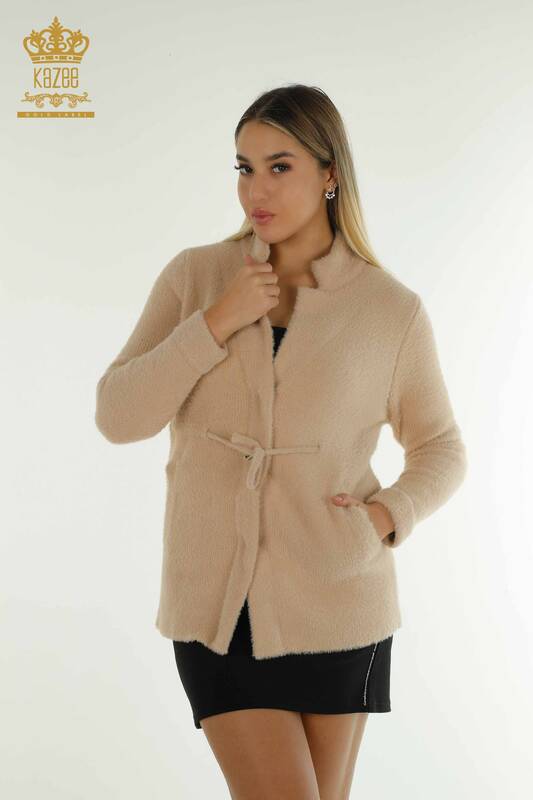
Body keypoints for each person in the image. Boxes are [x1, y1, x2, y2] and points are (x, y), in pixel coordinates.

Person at [95, 83, 467, 799]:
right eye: (243, 167)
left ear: (330, 174)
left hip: (341, 602)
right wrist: (216, 321)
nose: (254, 189)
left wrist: (382, 517)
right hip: (215, 612)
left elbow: (442, 446)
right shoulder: (197, 276)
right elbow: (118, 416)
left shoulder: (390, 310)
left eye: (278, 166)